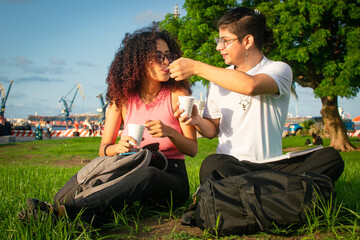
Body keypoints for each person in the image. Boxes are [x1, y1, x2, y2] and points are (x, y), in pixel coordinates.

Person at [19, 25, 198, 225]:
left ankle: (65, 214)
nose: (166, 61)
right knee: (79, 185)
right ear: (139, 61)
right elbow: (104, 149)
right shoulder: (121, 100)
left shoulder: (178, 95)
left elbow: (192, 149)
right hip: (131, 167)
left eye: (168, 55)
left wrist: (170, 132)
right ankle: (58, 209)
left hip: (171, 178)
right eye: (158, 56)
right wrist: (117, 148)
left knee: (149, 175)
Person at [169, 7, 344, 185]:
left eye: (225, 41)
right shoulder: (217, 80)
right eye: (218, 40)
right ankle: (279, 194)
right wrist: (197, 120)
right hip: (233, 166)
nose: (218, 47)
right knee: (212, 164)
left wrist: (197, 67)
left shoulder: (279, 69)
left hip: (272, 166)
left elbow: (250, 85)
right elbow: (213, 130)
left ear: (248, 41)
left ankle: (252, 195)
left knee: (330, 158)